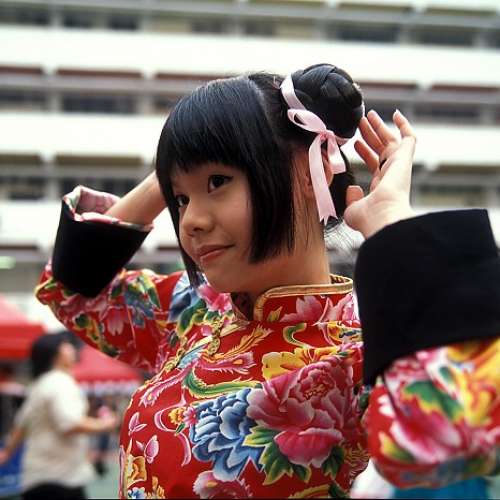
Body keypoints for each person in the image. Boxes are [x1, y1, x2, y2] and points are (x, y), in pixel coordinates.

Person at [35, 64, 499, 498]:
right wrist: (175, 163)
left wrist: (390, 217)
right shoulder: (193, 311)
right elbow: (71, 289)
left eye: (218, 181)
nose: (190, 220)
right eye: (180, 199)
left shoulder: (367, 345)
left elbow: (461, 429)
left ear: (309, 172)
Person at [0, 332, 118, 500]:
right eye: (66, 345)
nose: (72, 349)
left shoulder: (40, 384)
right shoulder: (60, 382)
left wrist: (7, 453)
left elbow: (21, 426)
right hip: (60, 479)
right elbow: (70, 424)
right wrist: (106, 424)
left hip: (38, 478)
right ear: (55, 353)